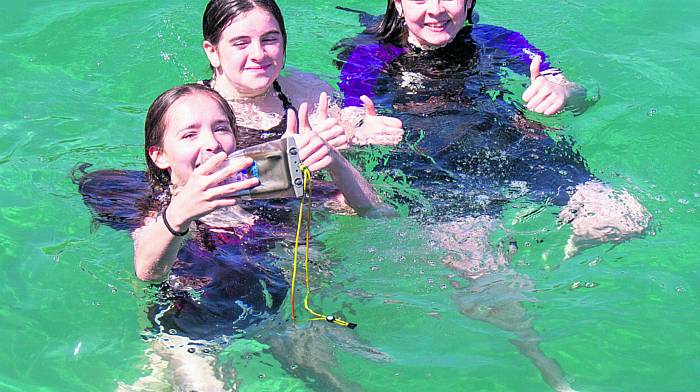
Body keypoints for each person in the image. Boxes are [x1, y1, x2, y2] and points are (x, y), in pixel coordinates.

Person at [333, 1, 650, 391]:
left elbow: (574, 89)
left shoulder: (497, 40)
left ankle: (561, 253)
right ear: (397, 4)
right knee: (494, 286)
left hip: (513, 147)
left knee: (626, 218)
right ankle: (543, 361)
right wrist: (360, 128)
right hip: (434, 171)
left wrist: (562, 92)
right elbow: (350, 115)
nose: (435, 10)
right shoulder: (370, 56)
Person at [75, 83, 393, 390]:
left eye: (221, 128)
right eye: (189, 134)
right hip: (190, 330)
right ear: (160, 156)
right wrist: (184, 209)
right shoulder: (151, 203)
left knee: (338, 385)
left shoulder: (265, 187)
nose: (212, 143)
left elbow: (375, 212)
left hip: (274, 315)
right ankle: (156, 368)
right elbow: (148, 269)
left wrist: (332, 161)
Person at [200, 0, 405, 149]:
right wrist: (289, 158)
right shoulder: (193, 110)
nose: (258, 54)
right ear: (212, 52)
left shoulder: (308, 90)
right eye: (241, 43)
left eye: (269, 40)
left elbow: (344, 127)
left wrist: (360, 133)